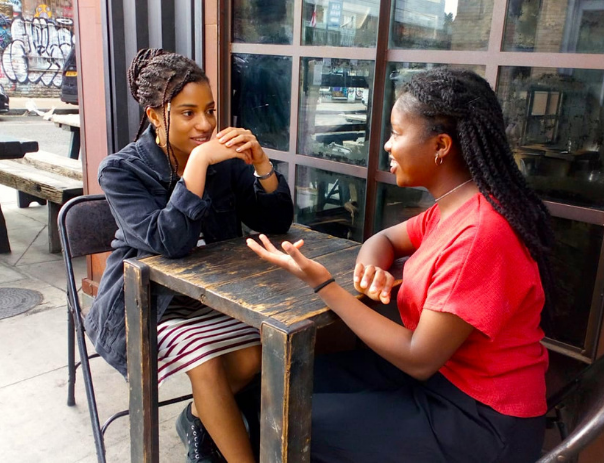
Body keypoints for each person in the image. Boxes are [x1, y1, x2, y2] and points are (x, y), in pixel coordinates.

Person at [247, 68, 554, 462]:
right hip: (439, 378)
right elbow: (385, 240)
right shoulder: (453, 207)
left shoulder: (480, 233)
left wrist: (325, 286)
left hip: (479, 418)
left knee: (285, 416)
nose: (387, 146)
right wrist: (371, 270)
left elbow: (419, 357)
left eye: (396, 133)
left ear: (440, 145)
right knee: (271, 388)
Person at [86, 48, 294, 463]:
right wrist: (198, 161)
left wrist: (261, 164)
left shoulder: (225, 163)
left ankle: (198, 417)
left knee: (257, 354)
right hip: (150, 300)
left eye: (210, 110)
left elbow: (275, 222)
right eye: (188, 113)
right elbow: (171, 241)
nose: (205, 124)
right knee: (206, 362)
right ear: (155, 116)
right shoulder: (121, 170)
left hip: (216, 293)